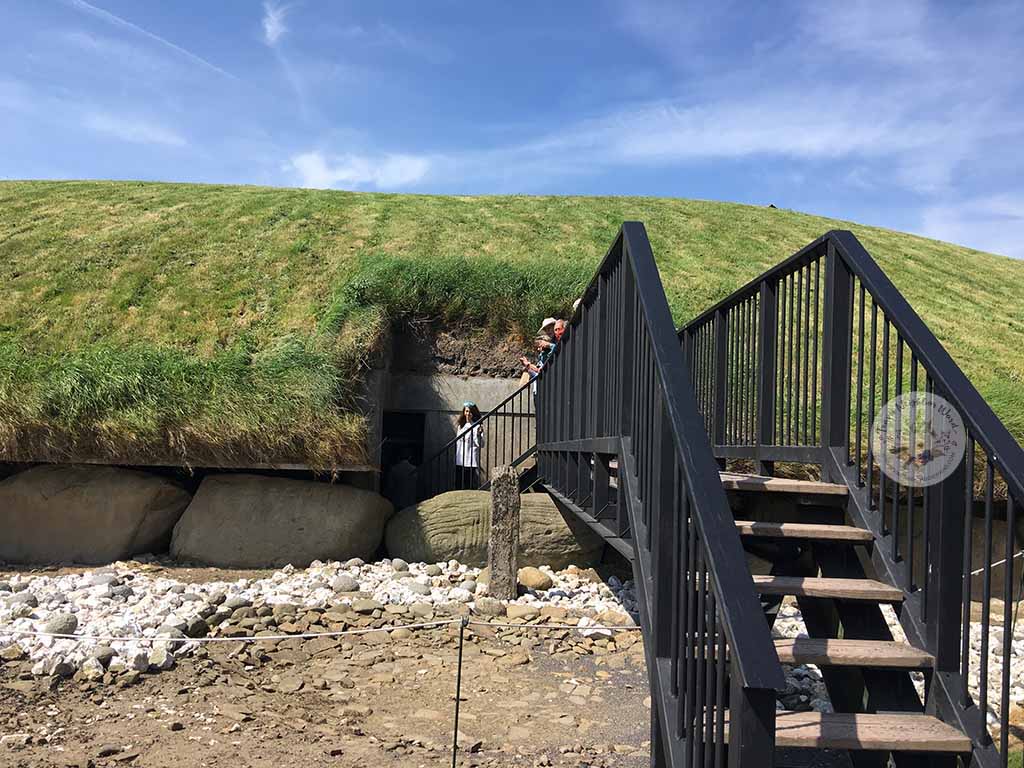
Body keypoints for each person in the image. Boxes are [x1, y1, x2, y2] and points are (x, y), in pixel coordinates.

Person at [454, 401, 484, 489]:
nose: (468, 414)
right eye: (466, 411)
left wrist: (478, 434)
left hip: (470, 460)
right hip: (460, 459)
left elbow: (481, 444)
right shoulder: (461, 426)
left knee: (468, 484)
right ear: (464, 412)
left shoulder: (477, 426)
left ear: (473, 413)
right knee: (458, 483)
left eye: (470, 412)